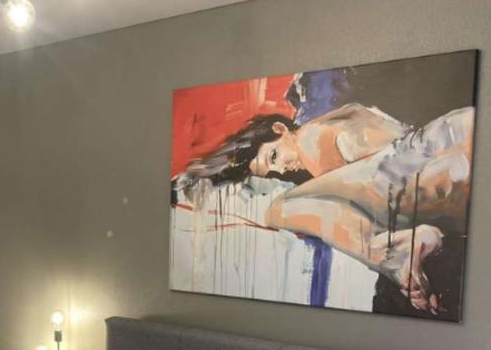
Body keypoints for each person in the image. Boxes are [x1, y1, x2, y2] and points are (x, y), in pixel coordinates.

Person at [172, 103, 475, 314]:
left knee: (280, 208)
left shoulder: (311, 139)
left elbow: (363, 197)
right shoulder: (343, 117)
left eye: (273, 157)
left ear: (280, 128)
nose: (282, 170)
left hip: (438, 163)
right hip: (455, 142)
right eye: (272, 172)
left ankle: (395, 252)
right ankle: (400, 248)